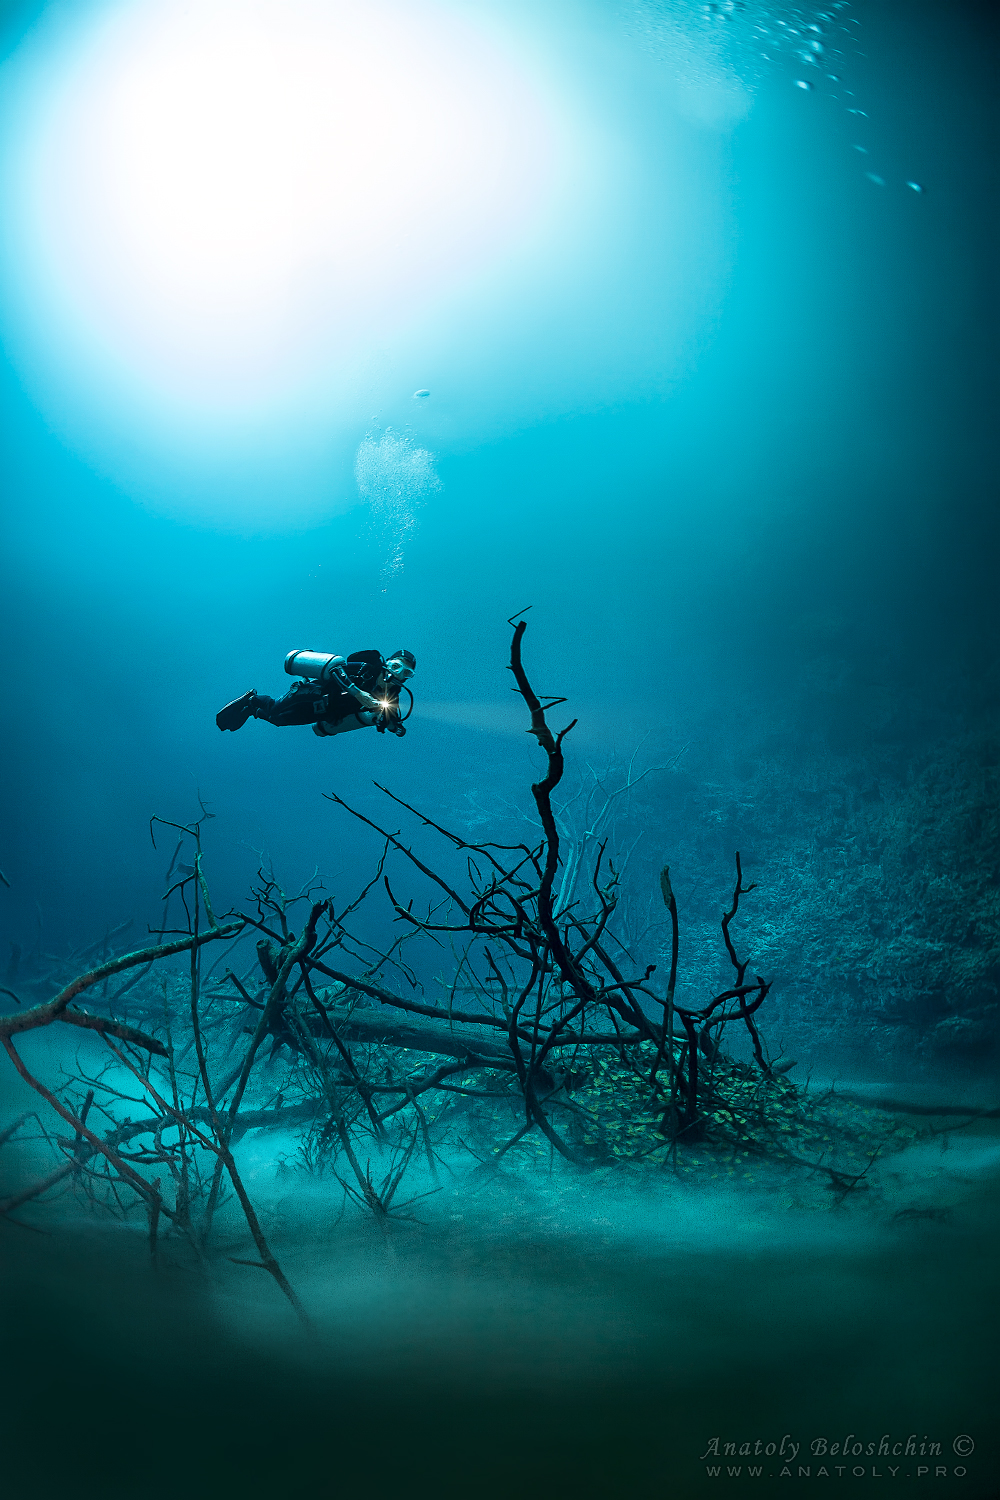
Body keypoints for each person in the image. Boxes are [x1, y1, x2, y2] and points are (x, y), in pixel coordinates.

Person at [216, 648, 415, 739]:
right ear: (387, 662)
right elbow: (337, 670)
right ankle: (253, 698)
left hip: (326, 712)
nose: (399, 674)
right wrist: (358, 694)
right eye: (396, 666)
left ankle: (251, 709)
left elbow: (390, 717)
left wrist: (396, 727)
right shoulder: (366, 669)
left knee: (279, 721)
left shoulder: (392, 695)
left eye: (405, 672)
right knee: (275, 708)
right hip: (312, 694)